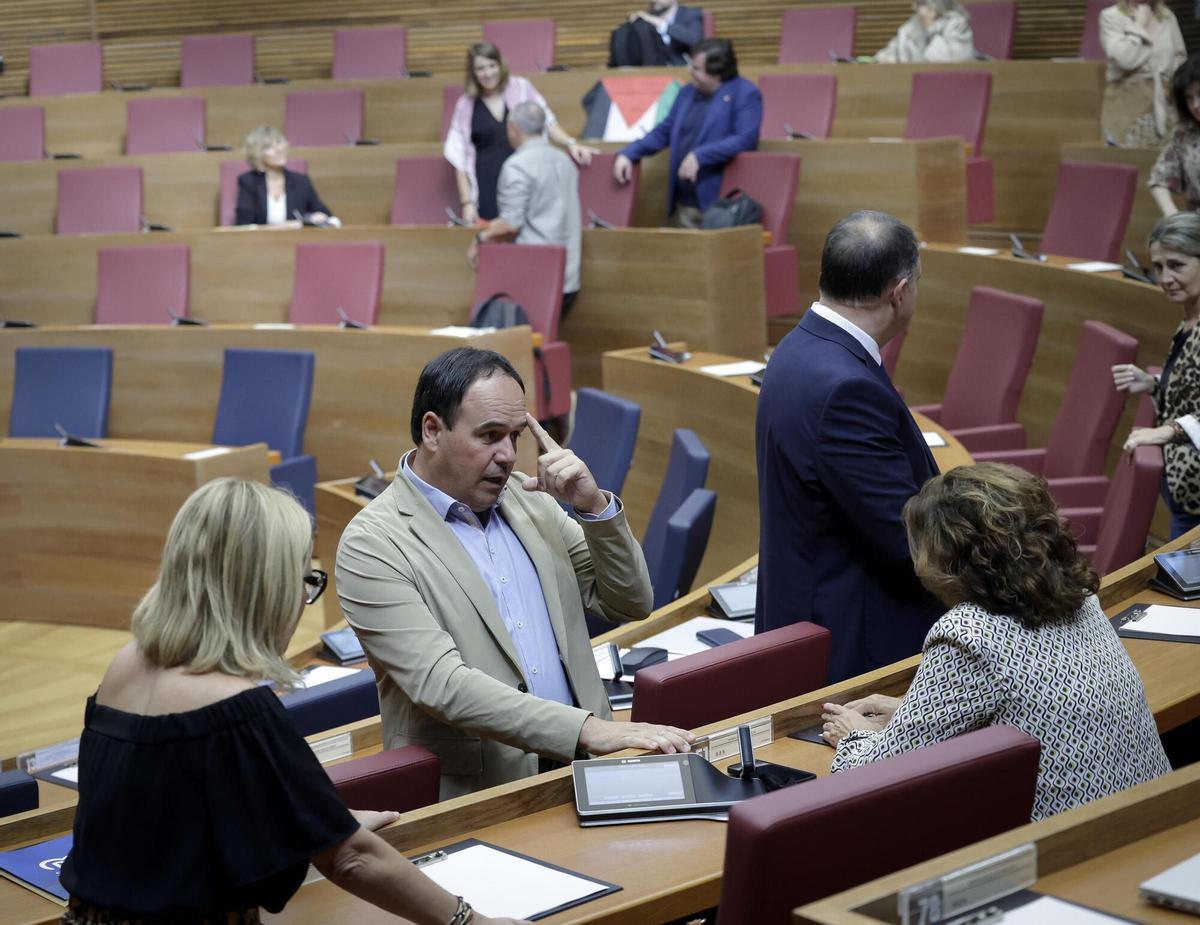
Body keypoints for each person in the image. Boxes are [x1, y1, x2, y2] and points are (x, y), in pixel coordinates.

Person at [59, 478, 526, 925]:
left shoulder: (123, 668)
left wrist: (316, 821)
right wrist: (471, 920)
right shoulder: (235, 708)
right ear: (264, 586)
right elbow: (352, 858)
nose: (302, 597)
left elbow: (177, 815)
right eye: (302, 579)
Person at [336, 348, 694, 799]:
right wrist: (585, 729)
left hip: (588, 771)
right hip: (479, 795)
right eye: (488, 436)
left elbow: (631, 601)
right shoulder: (373, 543)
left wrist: (594, 508)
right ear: (433, 430)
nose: (507, 455)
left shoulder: (535, 505)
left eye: (515, 436)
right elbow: (441, 683)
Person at [822, 463, 1171, 821]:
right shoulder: (1081, 600)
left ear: (949, 556)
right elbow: (1031, 705)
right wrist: (913, 712)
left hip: (1070, 849)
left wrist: (856, 734)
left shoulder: (968, 634)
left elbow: (875, 776)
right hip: (1158, 820)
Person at [755, 210, 942, 683]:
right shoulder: (844, 387)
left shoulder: (799, 347)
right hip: (853, 641)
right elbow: (905, 539)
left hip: (806, 608)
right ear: (899, 291)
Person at [613, 37, 761, 226]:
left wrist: (700, 156)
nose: (690, 71)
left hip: (721, 206)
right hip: (686, 204)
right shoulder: (686, 93)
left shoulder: (745, 94)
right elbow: (664, 132)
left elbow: (745, 139)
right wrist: (629, 153)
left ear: (717, 75)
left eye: (696, 69)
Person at [1114, 212, 1200, 537]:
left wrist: (1169, 431)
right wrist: (1153, 384)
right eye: (1159, 267)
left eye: (1177, 266)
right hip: (1184, 490)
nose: (1165, 278)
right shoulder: (1189, 319)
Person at [445, 42, 597, 224]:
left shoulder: (522, 88)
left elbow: (547, 122)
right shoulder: (465, 104)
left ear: (500, 65)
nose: (487, 73)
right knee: (495, 239)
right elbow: (458, 157)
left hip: (525, 177)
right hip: (487, 183)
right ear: (473, 72)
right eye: (480, 68)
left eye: (492, 66)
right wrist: (467, 202)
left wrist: (571, 143)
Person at [467, 102, 582, 313]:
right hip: (569, 277)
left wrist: (479, 239)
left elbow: (511, 224)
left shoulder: (517, 166)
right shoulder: (565, 162)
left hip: (535, 278)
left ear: (513, 129)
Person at [1101, 0, 1186, 148]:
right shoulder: (1111, 16)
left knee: (1166, 164)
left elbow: (1180, 57)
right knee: (1131, 162)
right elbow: (1125, 59)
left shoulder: (1167, 16)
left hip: (1166, 102)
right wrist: (1139, 25)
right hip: (1126, 104)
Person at [234, 125, 339, 227]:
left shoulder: (301, 181)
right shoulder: (248, 181)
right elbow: (243, 226)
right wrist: (283, 227)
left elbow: (331, 219)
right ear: (257, 154)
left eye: (279, 142)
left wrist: (314, 219)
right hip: (259, 243)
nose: (278, 149)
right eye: (269, 147)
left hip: (294, 242)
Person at [1149, 53, 1200, 215]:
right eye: (1189, 98)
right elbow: (1158, 180)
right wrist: (1172, 215)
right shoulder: (1185, 133)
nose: (1195, 105)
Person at [874, 0, 976, 63]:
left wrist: (930, 29)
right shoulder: (914, 24)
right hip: (910, 81)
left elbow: (954, 60)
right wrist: (886, 58)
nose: (913, 8)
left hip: (950, 84)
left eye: (919, 3)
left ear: (934, 7)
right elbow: (895, 49)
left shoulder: (957, 25)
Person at [608, 2, 704, 67]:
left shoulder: (691, 14)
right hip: (650, 72)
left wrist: (661, 24)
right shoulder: (644, 22)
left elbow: (695, 40)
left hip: (682, 69)